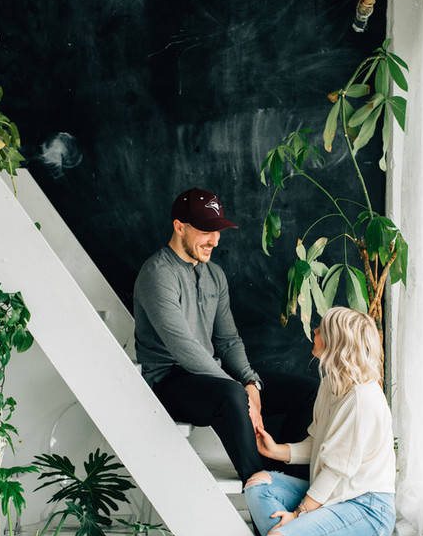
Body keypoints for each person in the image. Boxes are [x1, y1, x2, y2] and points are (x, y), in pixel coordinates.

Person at [244, 307, 396, 536]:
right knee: (258, 483)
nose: (314, 330)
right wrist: (277, 450)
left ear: (338, 342)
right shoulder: (332, 385)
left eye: (322, 328)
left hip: (366, 507)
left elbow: (339, 470)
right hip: (334, 492)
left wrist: (301, 514)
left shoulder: (363, 398)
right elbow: (317, 444)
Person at [133, 187, 317, 482]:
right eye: (206, 230)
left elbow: (228, 340)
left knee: (308, 391)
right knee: (232, 394)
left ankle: (286, 481)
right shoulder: (157, 273)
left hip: (212, 377)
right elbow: (184, 348)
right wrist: (242, 393)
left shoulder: (214, 275)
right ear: (179, 226)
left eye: (218, 230)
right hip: (169, 381)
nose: (215, 240)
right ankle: (258, 483)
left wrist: (251, 382)